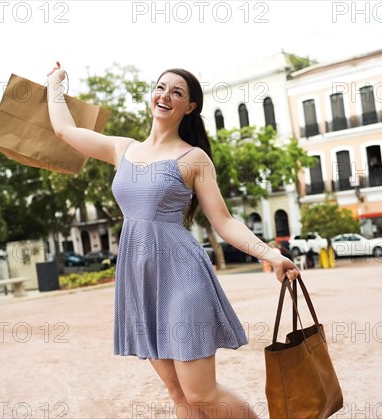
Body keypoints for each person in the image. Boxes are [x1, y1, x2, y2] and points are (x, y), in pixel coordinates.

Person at [46, 62, 299, 418]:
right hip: (139, 280)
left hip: (182, 277)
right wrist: (53, 83)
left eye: (176, 92)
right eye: (161, 88)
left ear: (189, 107)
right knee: (177, 393)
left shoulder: (194, 158)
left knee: (201, 393)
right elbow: (62, 129)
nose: (165, 95)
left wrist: (270, 253)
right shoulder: (123, 149)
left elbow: (224, 221)